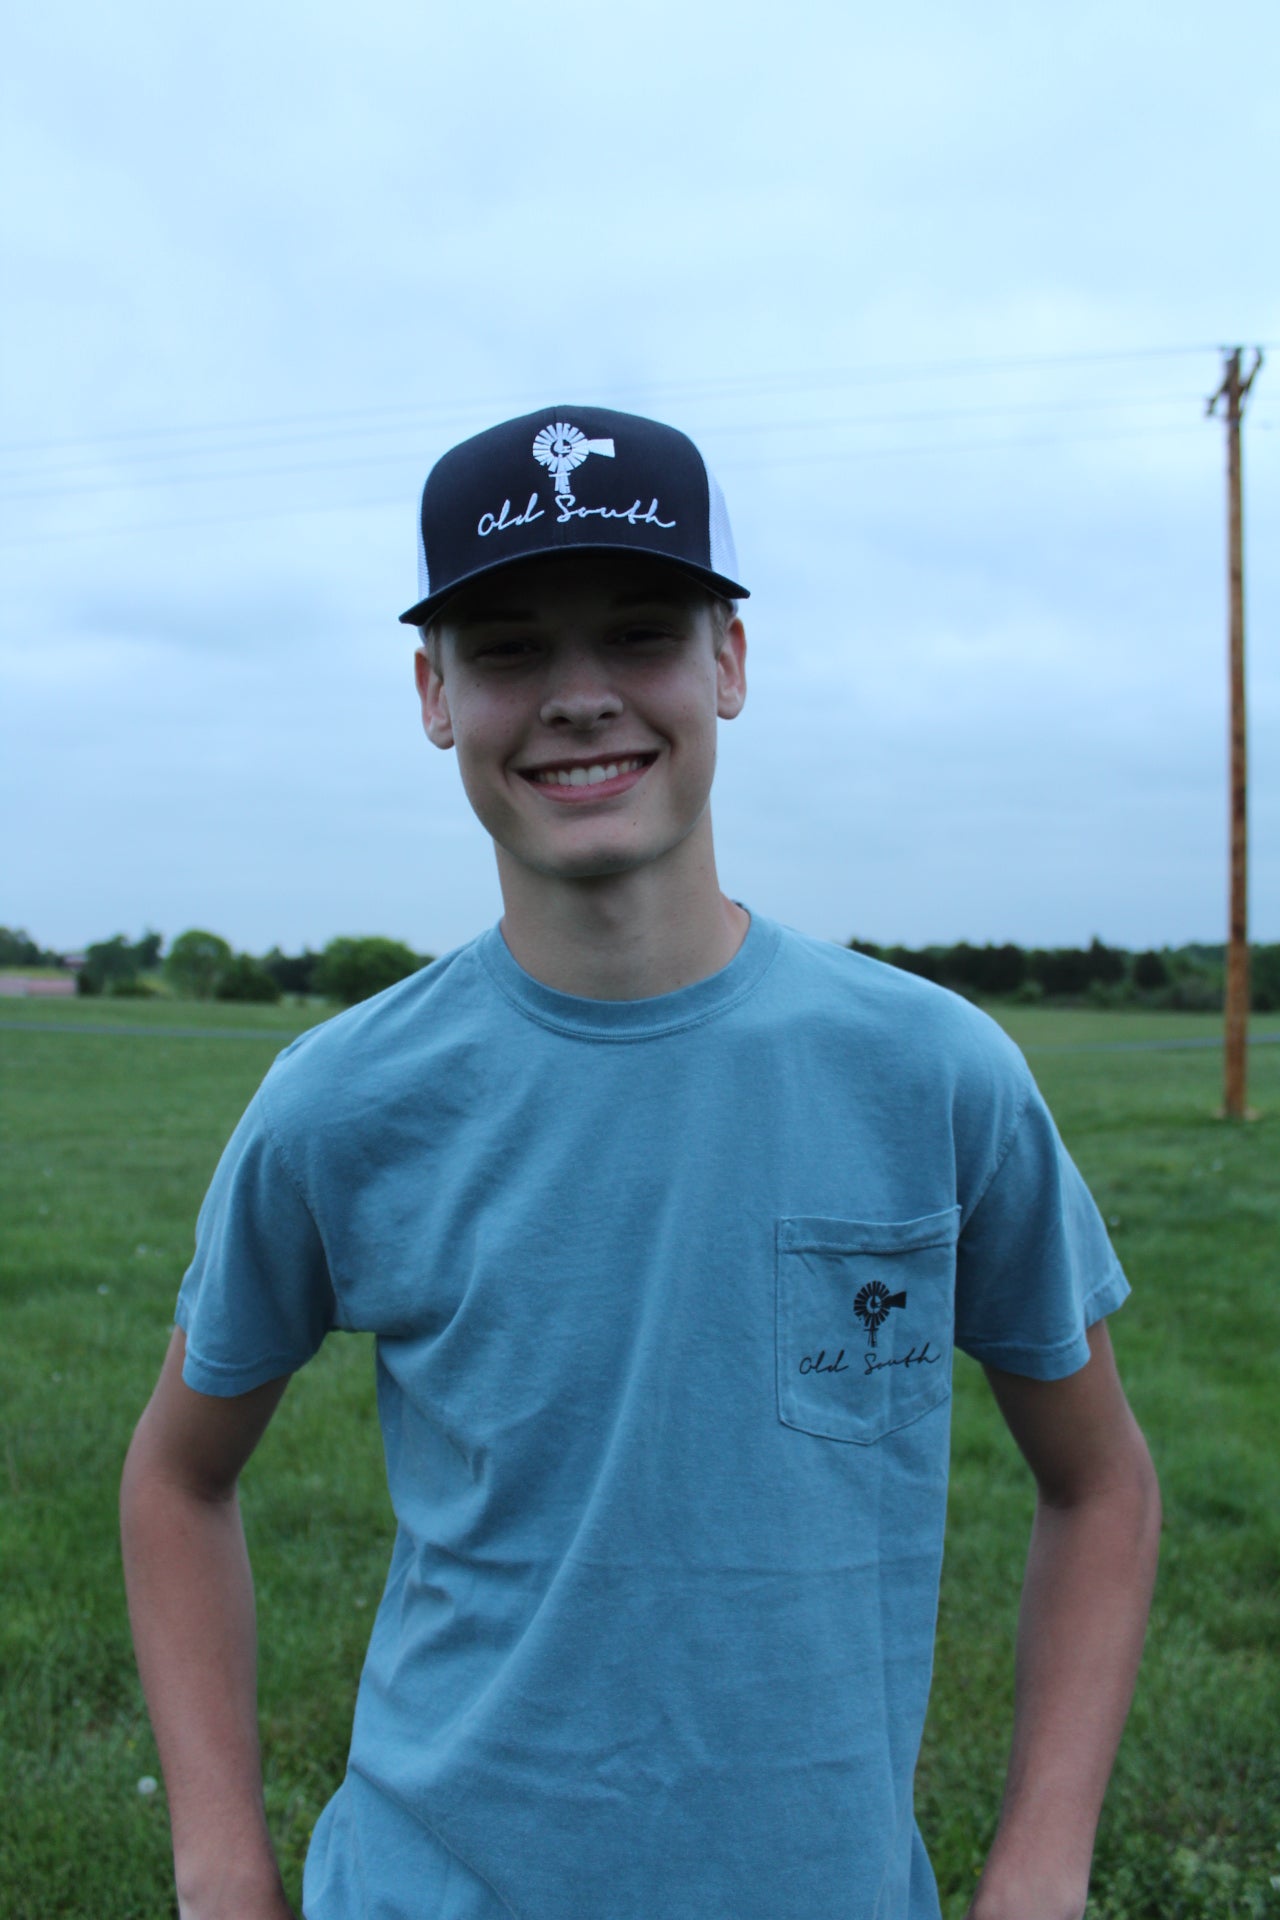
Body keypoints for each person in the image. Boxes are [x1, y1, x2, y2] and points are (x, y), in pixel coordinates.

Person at [120, 404, 1161, 1920]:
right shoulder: (339, 1104)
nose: (579, 697)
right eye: (508, 649)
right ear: (434, 694)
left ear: (729, 663)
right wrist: (221, 1874)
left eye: (638, 634)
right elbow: (175, 1476)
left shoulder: (933, 1077)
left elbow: (1102, 1484)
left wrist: (1041, 1870)